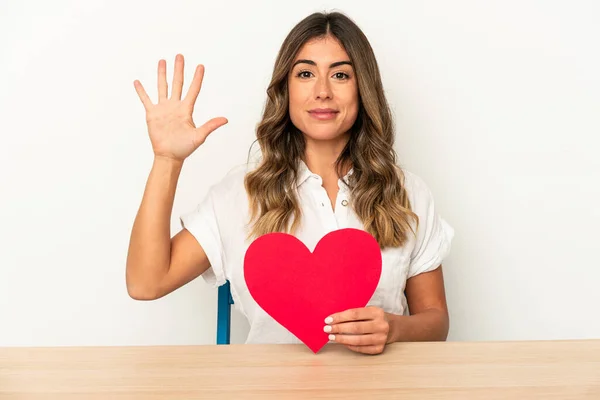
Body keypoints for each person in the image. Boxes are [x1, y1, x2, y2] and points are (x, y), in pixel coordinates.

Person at [127, 11, 454, 355]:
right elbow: (146, 283)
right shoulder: (240, 194)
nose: (323, 91)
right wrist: (167, 160)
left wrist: (395, 328)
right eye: (306, 74)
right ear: (286, 88)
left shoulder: (408, 193)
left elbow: (436, 320)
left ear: (363, 89)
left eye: (340, 75)